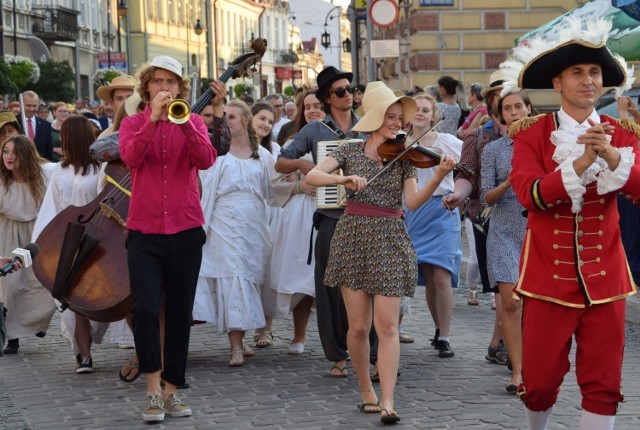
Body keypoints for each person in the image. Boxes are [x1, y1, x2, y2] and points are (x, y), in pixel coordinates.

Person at [499, 16, 640, 429]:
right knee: (540, 382)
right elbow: (530, 194)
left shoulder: (623, 134)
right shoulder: (531, 134)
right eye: (577, 72)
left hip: (607, 281)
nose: (588, 80)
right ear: (557, 84)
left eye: (594, 72)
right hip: (547, 280)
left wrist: (614, 159)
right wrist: (580, 163)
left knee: (603, 383)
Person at [305, 81, 456, 424]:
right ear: (374, 116)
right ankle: (366, 390)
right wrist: (342, 181)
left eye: (399, 118)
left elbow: (413, 202)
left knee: (386, 326)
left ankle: (388, 399)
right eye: (391, 116)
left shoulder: (403, 155)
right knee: (358, 327)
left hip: (390, 237)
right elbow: (312, 177)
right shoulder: (348, 149)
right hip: (353, 236)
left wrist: (438, 177)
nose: (398, 123)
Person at [119, 55, 215, 423]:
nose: (164, 88)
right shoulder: (132, 123)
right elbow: (130, 156)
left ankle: (173, 390)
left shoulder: (192, 121)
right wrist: (154, 122)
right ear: (147, 88)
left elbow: (206, 160)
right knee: (144, 309)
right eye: (158, 82)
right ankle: (152, 390)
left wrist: (187, 124)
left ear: (180, 88)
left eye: (171, 82)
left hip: (186, 229)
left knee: (179, 313)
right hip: (144, 230)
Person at [274, 66, 364, 379]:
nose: (348, 94)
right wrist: (302, 163)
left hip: (366, 215)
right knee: (329, 290)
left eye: (350, 88)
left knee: (370, 285)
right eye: (340, 91)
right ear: (327, 99)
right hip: (330, 214)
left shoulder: (368, 126)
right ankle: (338, 356)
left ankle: (375, 353)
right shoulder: (314, 131)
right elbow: (281, 160)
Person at [195, 100, 290, 366]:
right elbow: (205, 192)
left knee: (250, 278)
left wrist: (295, 184)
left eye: (232, 116)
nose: (227, 121)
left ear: (246, 120)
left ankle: (246, 335)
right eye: (225, 117)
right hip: (224, 222)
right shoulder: (217, 155)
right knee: (232, 277)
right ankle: (235, 345)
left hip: (254, 223)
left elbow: (274, 192)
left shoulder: (263, 154)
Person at [31, 116, 108, 372]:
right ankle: (84, 355)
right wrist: (41, 242)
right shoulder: (60, 171)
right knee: (73, 301)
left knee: (103, 296)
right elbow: (50, 208)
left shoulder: (100, 168)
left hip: (99, 240)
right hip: (68, 241)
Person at [443, 70, 508, 367]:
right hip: (488, 217)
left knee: (514, 288)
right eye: (500, 99)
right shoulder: (478, 136)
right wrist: (458, 193)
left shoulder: (537, 134)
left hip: (527, 217)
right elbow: (466, 173)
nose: (508, 106)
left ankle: (501, 342)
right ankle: (505, 344)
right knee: (502, 286)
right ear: (492, 103)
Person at [480, 89, 533, 393]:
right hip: (503, 230)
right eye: (507, 108)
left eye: (518, 106)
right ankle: (519, 372)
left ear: (528, 109)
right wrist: (511, 180)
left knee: (535, 305)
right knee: (511, 302)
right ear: (501, 115)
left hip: (536, 230)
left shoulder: (547, 145)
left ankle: (533, 362)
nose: (513, 112)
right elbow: (486, 196)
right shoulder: (495, 150)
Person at [404, 94, 462, 358]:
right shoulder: (399, 143)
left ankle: (445, 336)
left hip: (442, 209)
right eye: (416, 109)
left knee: (441, 276)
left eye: (425, 110)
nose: (420, 113)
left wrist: (461, 192)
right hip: (413, 211)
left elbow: (469, 166)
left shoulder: (447, 142)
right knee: (427, 277)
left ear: (433, 115)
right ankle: (437, 327)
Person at [269, 88, 325, 355]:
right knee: (301, 275)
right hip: (300, 211)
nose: (313, 111)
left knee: (328, 278)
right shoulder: (294, 141)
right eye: (308, 106)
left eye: (318, 106)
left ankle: (337, 336)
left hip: (331, 210)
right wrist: (300, 183)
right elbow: (276, 181)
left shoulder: (341, 138)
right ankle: (299, 334)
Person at [0, 135, 54, 356]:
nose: (9, 157)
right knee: (11, 287)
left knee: (40, 285)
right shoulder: (2, 180)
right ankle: (12, 337)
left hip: (35, 234)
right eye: (5, 151)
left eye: (14, 152)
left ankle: (35, 323)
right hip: (7, 233)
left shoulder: (43, 176)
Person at [17, 91, 53, 161]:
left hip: (41, 167)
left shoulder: (46, 125)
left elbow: (49, 151)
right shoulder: (13, 123)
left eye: (34, 106)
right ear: (21, 105)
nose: (31, 109)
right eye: (28, 105)